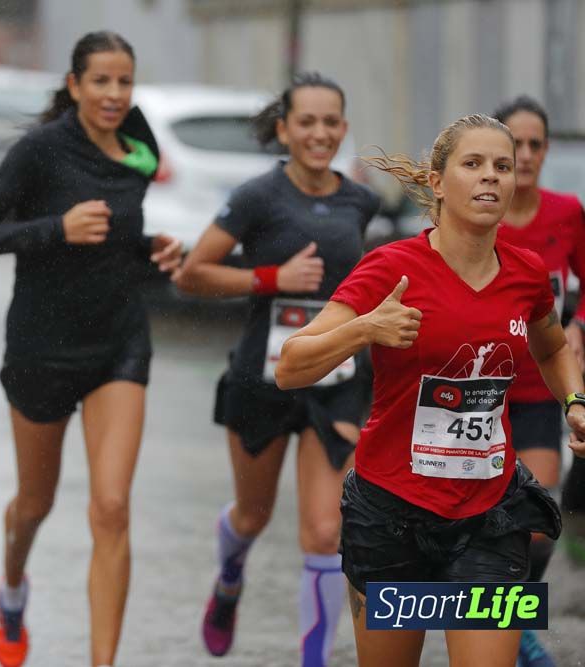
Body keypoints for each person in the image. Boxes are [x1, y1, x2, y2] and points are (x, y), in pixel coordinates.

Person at [275, 113, 585, 667]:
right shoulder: (390, 269)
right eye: (473, 164)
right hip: (393, 516)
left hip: (491, 516)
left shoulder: (527, 273)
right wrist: (366, 328)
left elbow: (553, 347)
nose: (490, 177)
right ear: (438, 182)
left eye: (502, 167)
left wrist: (575, 402)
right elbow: (291, 365)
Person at [0, 31, 182, 667]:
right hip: (42, 345)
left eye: (124, 82)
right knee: (35, 505)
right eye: (102, 82)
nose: (114, 94)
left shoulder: (139, 148)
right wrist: (57, 228)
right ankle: (12, 586)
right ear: (75, 85)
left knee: (111, 507)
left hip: (119, 341)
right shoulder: (40, 151)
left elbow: (119, 236)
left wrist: (155, 251)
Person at [173, 72, 379, 665]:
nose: (320, 133)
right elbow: (193, 274)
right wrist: (272, 279)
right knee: (253, 514)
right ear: (284, 129)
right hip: (262, 378)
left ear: (343, 128)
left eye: (331, 122)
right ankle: (230, 577)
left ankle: (311, 660)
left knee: (323, 533)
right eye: (307, 122)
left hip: (335, 383)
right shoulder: (258, 196)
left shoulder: (359, 200)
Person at [493, 95, 585, 667]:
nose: (524, 155)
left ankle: (514, 626)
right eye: (514, 145)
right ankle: (487, 627)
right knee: (472, 520)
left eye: (534, 144)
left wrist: (576, 326)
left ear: (546, 151)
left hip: (533, 393)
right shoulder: (477, 208)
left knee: (539, 523)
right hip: (474, 390)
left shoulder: (566, 211)